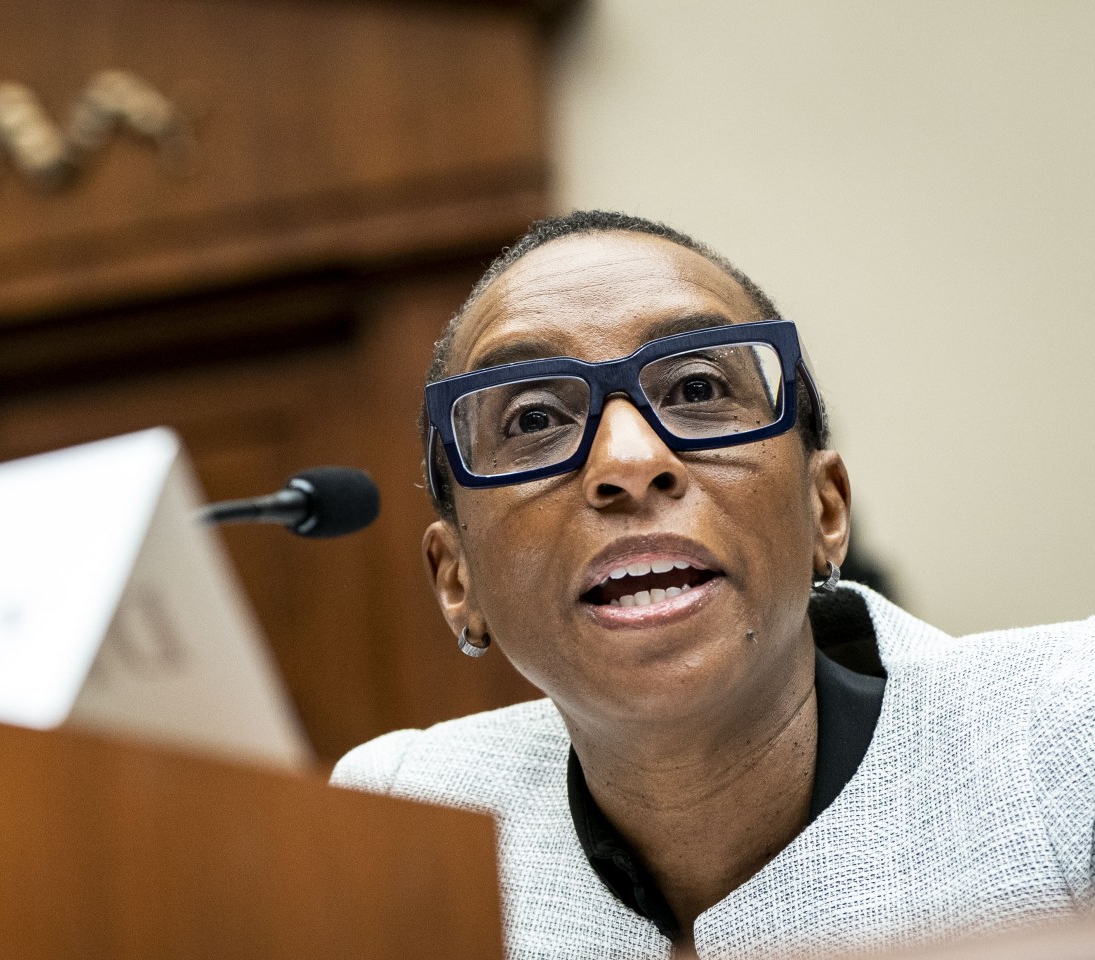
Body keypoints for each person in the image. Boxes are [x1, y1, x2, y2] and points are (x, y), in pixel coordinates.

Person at [330, 211, 1095, 960]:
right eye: (533, 419)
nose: (628, 460)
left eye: (696, 390)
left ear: (824, 510)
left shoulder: (1068, 736)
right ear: (456, 579)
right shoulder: (404, 818)